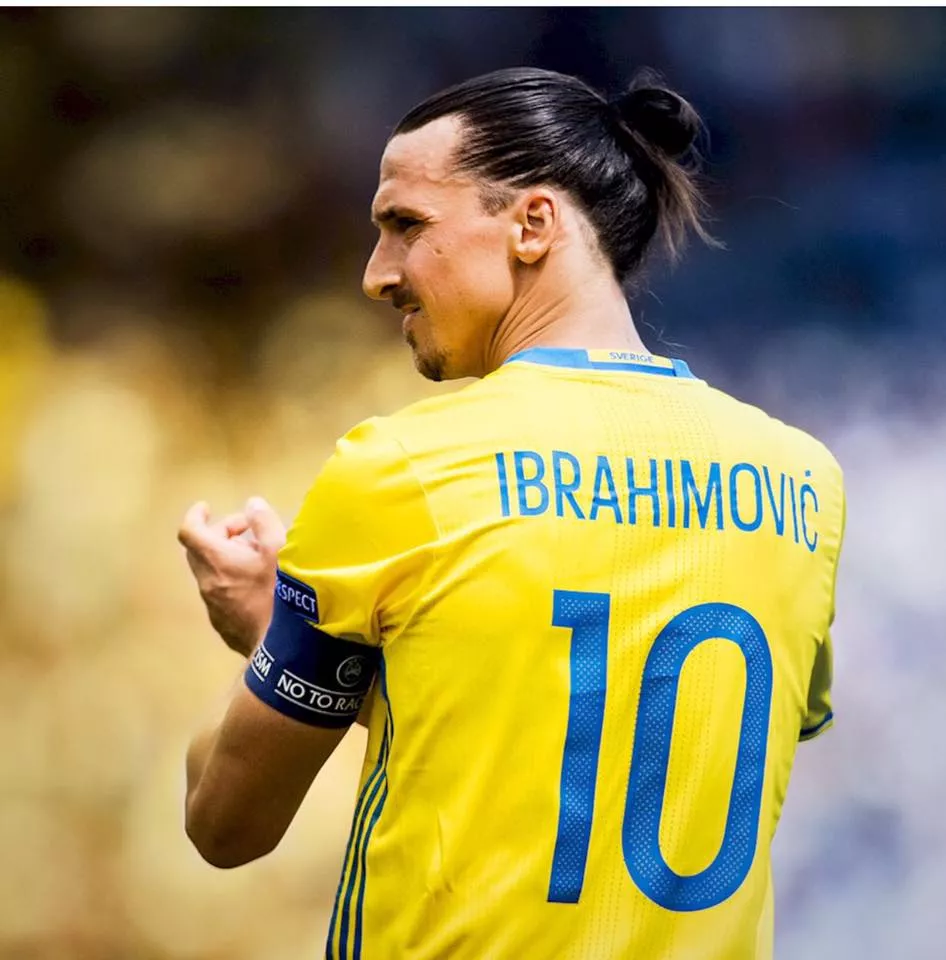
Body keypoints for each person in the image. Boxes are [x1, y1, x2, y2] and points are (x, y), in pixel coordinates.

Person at [178, 67, 844, 960]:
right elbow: (616, 739)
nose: (377, 275)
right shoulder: (803, 484)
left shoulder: (404, 470)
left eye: (406, 225)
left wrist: (272, 635)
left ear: (533, 224)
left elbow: (225, 822)